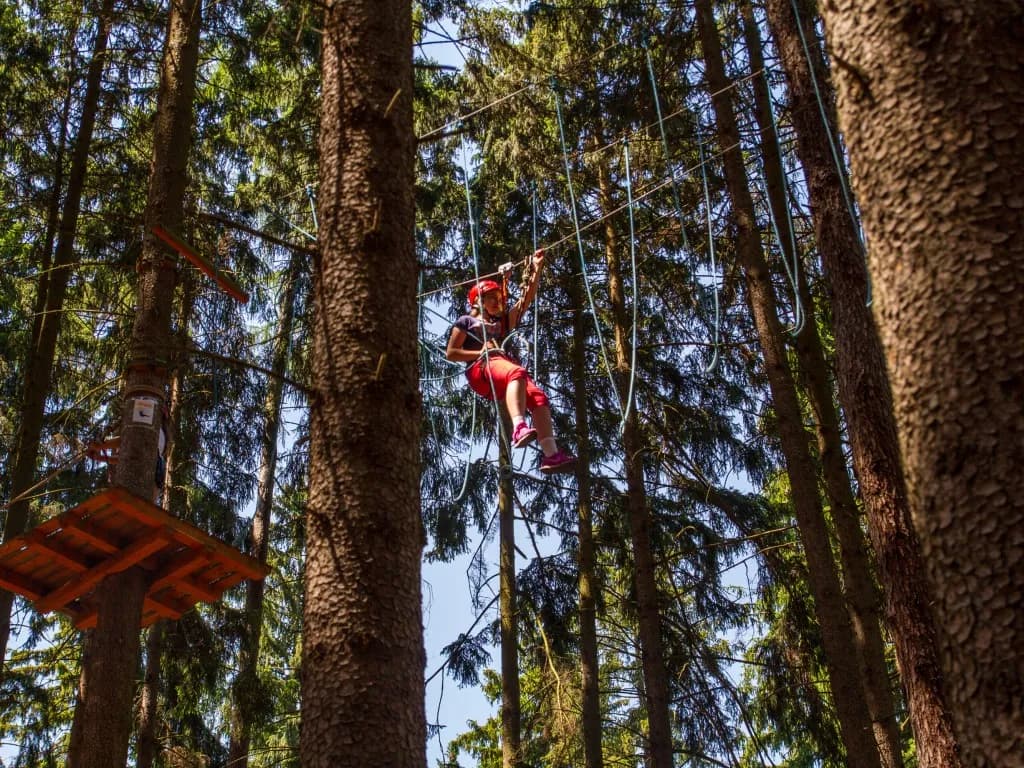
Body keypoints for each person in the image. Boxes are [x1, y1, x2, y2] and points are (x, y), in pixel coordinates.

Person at [446, 249, 576, 474]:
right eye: (492, 299)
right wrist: (480, 353)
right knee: (516, 373)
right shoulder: (466, 321)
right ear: (479, 301)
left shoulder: (503, 322)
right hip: (482, 368)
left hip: (500, 368)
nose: (498, 303)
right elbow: (452, 353)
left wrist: (536, 269)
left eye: (499, 299)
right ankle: (519, 428)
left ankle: (551, 454)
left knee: (538, 397)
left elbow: (525, 301)